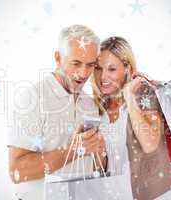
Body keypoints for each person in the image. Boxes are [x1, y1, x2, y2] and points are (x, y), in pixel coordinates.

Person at [7, 25, 106, 200]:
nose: (83, 73)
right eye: (76, 63)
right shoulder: (32, 98)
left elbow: (97, 168)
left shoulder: (89, 104)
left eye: (90, 65)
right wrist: (76, 150)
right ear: (58, 58)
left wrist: (99, 151)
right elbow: (17, 171)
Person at [91, 36, 171, 200]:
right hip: (118, 194)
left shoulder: (144, 94)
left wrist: (129, 98)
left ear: (127, 68)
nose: (102, 77)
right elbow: (104, 167)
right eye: (98, 68)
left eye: (111, 69)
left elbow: (150, 144)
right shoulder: (98, 107)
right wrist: (99, 153)